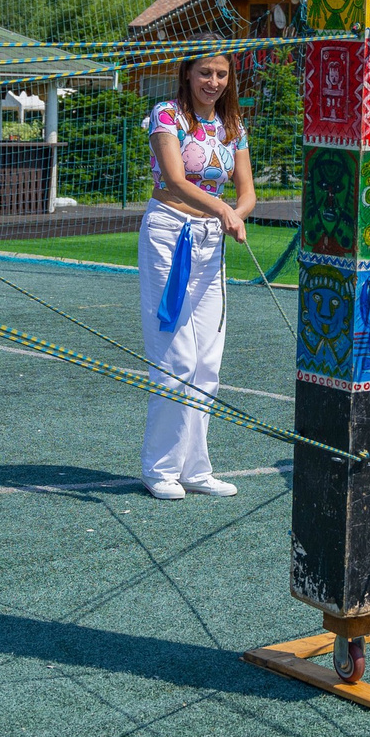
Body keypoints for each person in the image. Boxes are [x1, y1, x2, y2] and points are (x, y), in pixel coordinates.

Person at [137, 50, 256, 498]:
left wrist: (234, 214)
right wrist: (224, 208)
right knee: (176, 357)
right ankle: (160, 469)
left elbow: (248, 192)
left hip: (211, 242)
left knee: (207, 359)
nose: (213, 81)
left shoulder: (233, 126)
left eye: (221, 74)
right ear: (186, 74)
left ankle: (194, 468)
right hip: (169, 235)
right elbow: (174, 179)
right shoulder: (166, 115)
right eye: (204, 72)